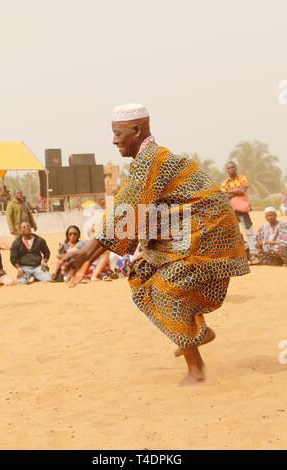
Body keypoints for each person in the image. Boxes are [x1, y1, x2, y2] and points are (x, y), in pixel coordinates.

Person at [62, 103, 249, 385]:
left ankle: (196, 368)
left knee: (166, 290)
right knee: (143, 275)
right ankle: (194, 330)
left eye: (118, 134)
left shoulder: (153, 160)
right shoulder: (147, 161)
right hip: (184, 229)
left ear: (137, 131)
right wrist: (87, 257)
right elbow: (133, 215)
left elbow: (127, 210)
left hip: (206, 230)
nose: (113, 141)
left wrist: (86, 251)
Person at [221, 162, 255, 252]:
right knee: (234, 231)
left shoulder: (243, 178)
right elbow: (225, 195)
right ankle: (239, 251)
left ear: (236, 168)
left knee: (248, 230)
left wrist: (231, 192)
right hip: (232, 209)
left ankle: (253, 250)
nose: (231, 169)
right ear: (227, 170)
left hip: (242, 208)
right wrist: (239, 190)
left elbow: (244, 189)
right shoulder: (224, 183)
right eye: (229, 168)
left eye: (232, 167)